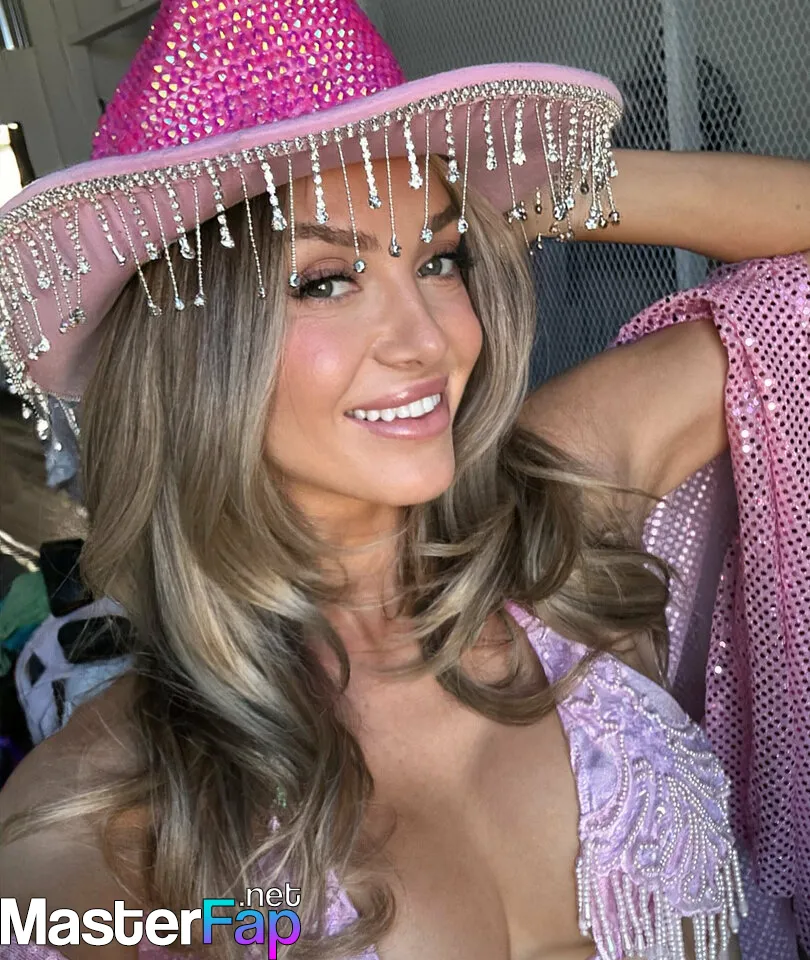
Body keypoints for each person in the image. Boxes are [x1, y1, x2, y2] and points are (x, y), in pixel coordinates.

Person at [0, 1, 809, 958]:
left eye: (438, 261)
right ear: (191, 353)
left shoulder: (559, 508)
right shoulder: (111, 822)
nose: (428, 341)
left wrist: (524, 194)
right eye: (325, 280)